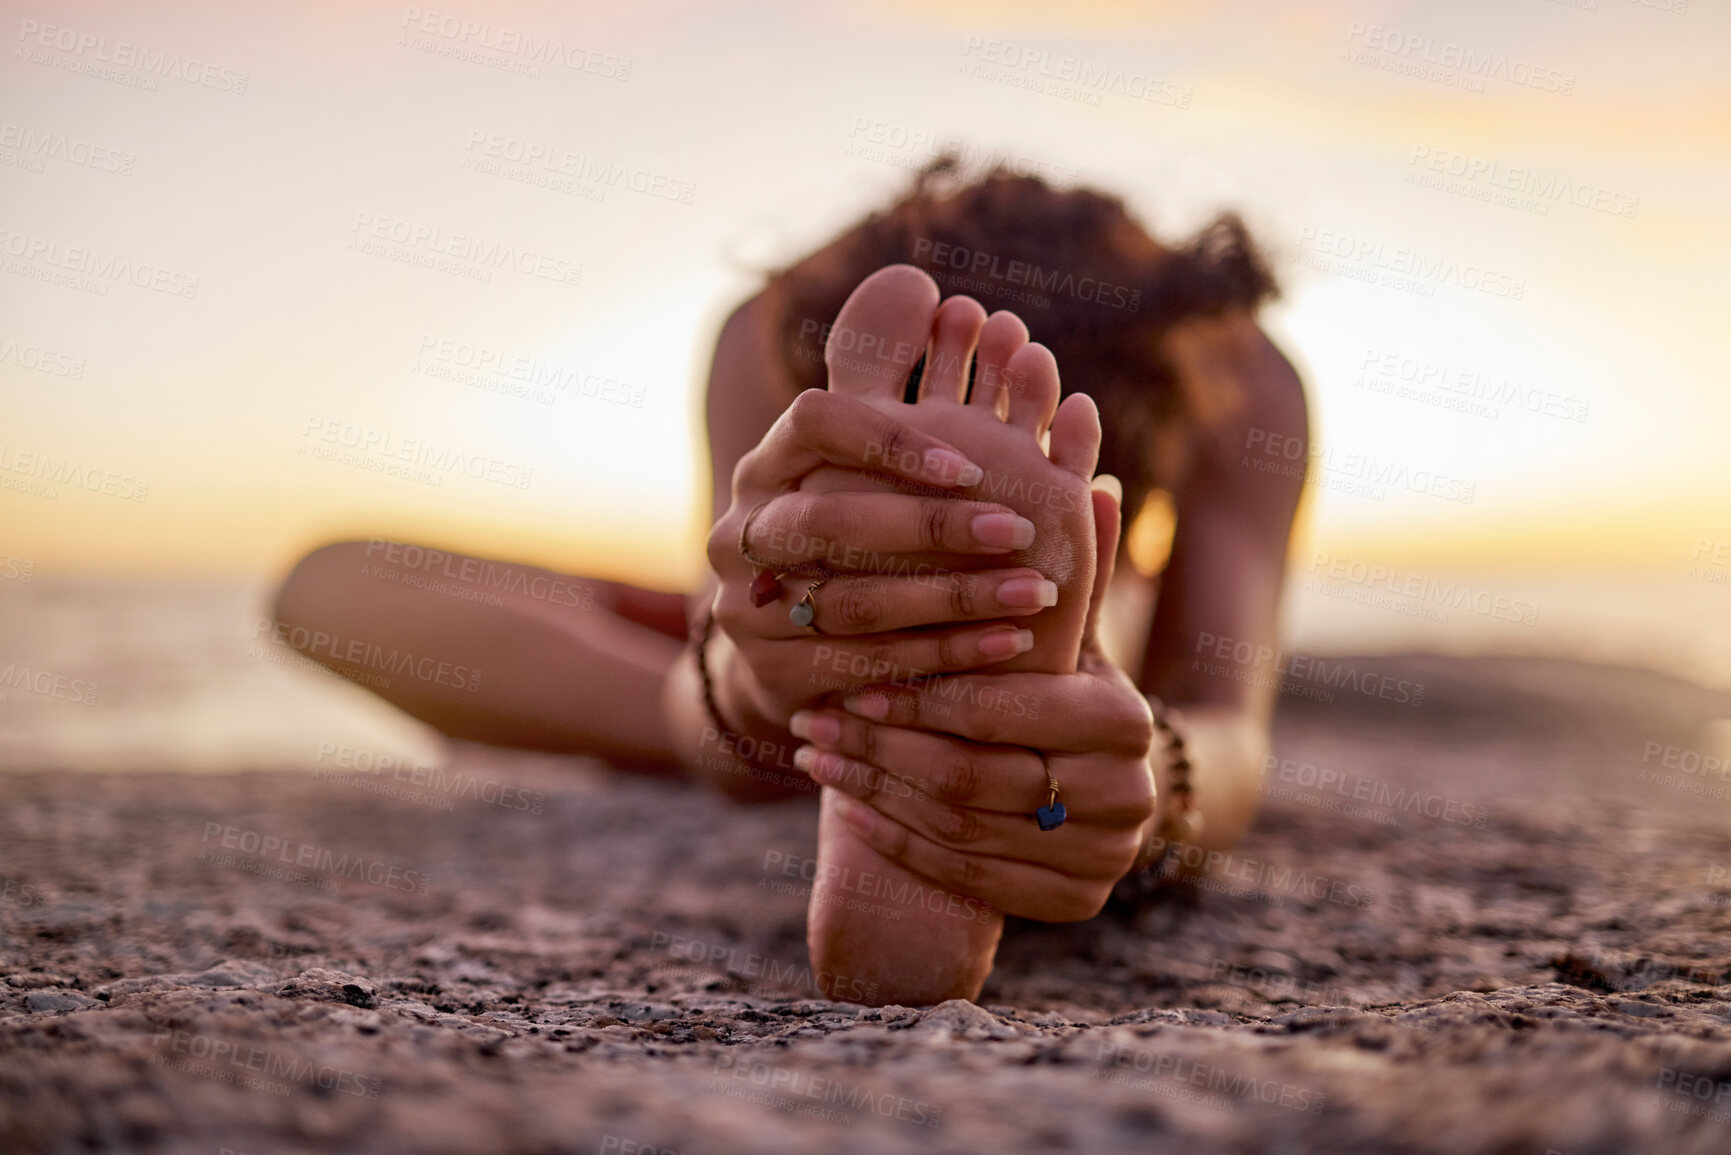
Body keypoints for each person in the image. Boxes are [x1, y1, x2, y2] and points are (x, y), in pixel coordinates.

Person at [273, 157, 1308, 1005]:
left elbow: (1219, 723)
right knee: (337, 590)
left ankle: (813, 720)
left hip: (816, 663)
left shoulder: (1227, 365)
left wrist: (1140, 777)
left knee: (341, 593)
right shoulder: (784, 328)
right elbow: (1231, 728)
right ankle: (827, 694)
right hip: (783, 629)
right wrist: (1174, 786)